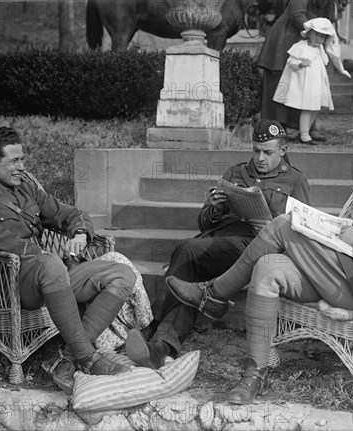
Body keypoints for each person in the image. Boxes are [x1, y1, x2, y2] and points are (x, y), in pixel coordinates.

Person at [165, 103, 353, 404]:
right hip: (343, 274)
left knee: (283, 225)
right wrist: (325, 230)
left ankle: (213, 294)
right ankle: (254, 374)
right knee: (268, 267)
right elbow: (350, 231)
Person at [0, 127, 136, 394]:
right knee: (51, 263)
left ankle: (66, 358)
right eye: (14, 161)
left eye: (22, 159)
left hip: (50, 274)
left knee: (123, 274)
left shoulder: (26, 187)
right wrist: (41, 255)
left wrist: (80, 233)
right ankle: (88, 358)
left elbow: (70, 213)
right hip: (10, 280)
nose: (21, 167)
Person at [124, 119, 310, 369]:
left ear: (283, 150)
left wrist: (272, 225)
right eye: (255, 150)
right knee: (187, 276)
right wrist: (215, 206)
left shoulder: (296, 180)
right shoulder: (235, 173)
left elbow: (303, 232)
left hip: (256, 249)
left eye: (268, 152)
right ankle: (161, 347)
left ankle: (153, 327)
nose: (260, 158)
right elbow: (204, 223)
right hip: (220, 244)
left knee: (187, 250)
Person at [256, 0, 343, 140]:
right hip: (286, 38)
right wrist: (318, 31)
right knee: (281, 83)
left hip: (306, 37)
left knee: (307, 85)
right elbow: (297, 14)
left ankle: (308, 128)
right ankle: (278, 127)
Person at [274, 17, 351, 145]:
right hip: (304, 84)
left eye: (322, 36)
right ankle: (304, 135)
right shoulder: (299, 46)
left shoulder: (320, 50)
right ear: (309, 34)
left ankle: (304, 131)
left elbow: (325, 62)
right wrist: (300, 64)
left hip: (317, 83)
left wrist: (341, 69)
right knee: (307, 108)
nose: (319, 38)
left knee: (315, 108)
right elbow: (291, 62)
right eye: (316, 34)